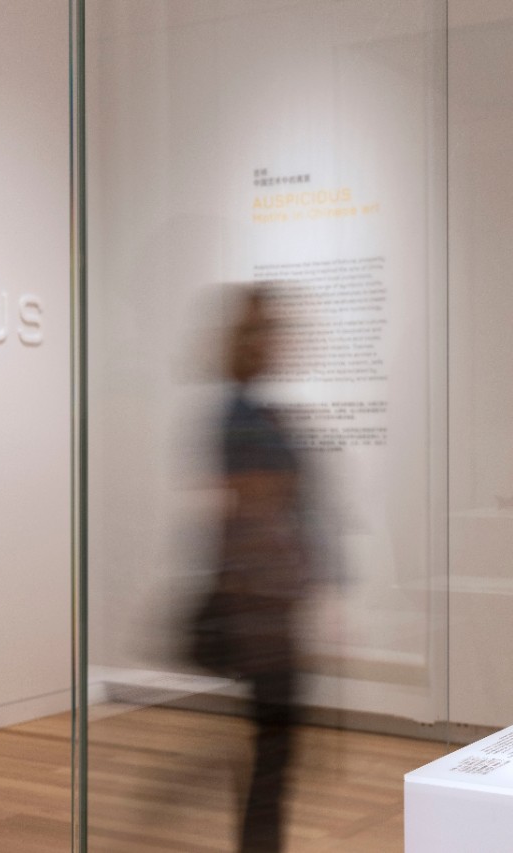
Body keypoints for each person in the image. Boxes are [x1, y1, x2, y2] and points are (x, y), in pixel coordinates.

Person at [204, 285, 310, 850]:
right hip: (260, 609)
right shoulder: (242, 417)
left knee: (274, 750)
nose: (278, 341)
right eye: (268, 331)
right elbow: (250, 511)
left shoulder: (251, 412)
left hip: (267, 603)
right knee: (273, 750)